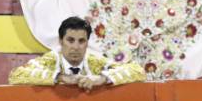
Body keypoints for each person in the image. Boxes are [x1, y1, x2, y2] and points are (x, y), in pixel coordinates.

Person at [9, 16, 146, 88]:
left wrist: (102, 79)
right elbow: (16, 75)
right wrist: (60, 77)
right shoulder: (51, 60)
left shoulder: (94, 61)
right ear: (61, 41)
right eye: (70, 40)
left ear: (87, 43)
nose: (75, 47)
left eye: (81, 41)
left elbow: (138, 71)